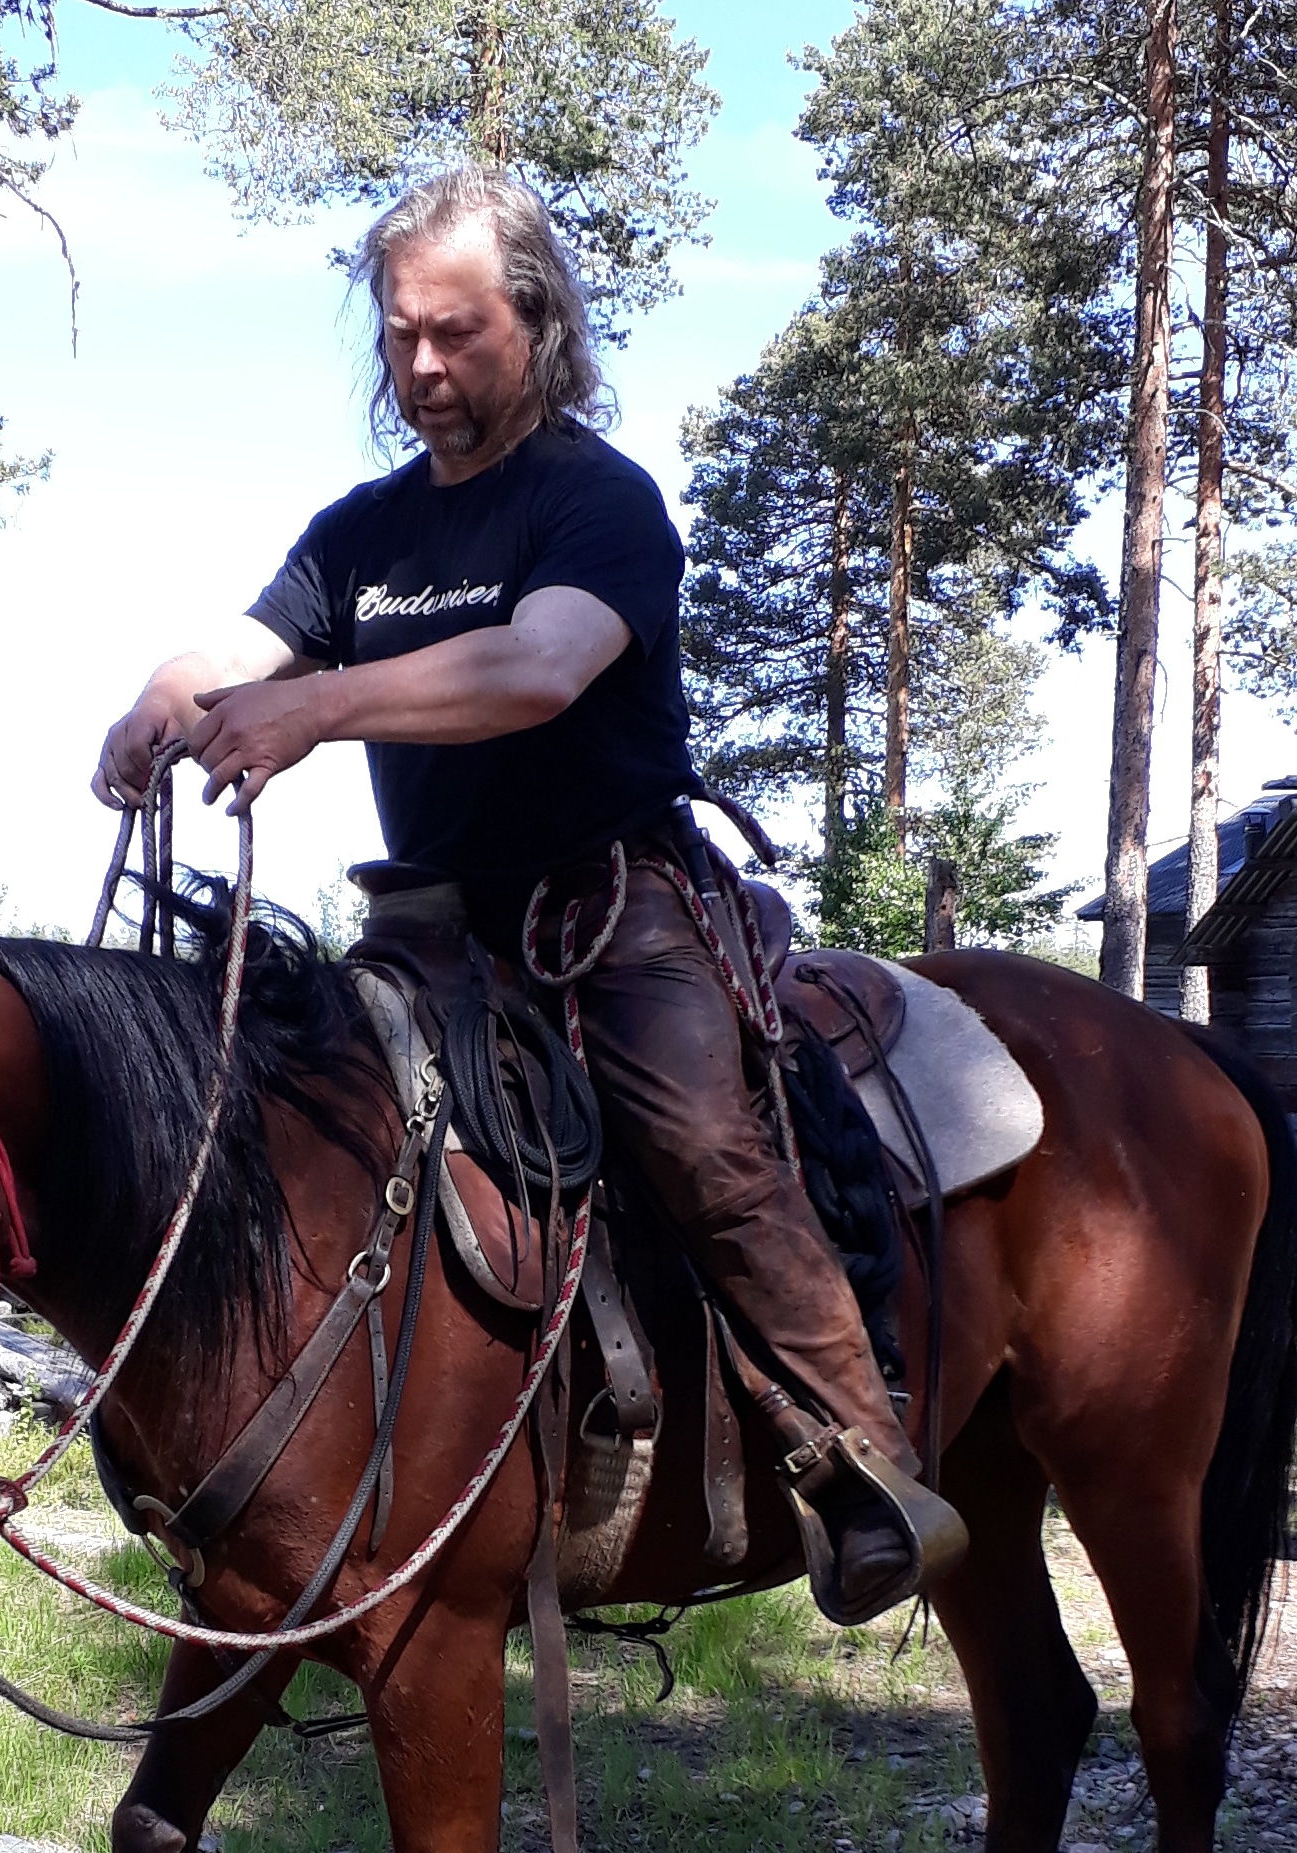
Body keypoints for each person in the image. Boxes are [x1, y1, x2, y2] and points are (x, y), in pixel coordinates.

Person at [95, 167, 964, 1622]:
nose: (423, 369)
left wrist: (322, 710)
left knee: (702, 1141)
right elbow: (240, 650)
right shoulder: (360, 534)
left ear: (540, 325)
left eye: (457, 333)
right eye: (397, 338)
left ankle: (863, 1464)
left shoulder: (595, 501)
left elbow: (537, 667)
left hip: (605, 916)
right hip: (424, 929)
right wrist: (161, 699)